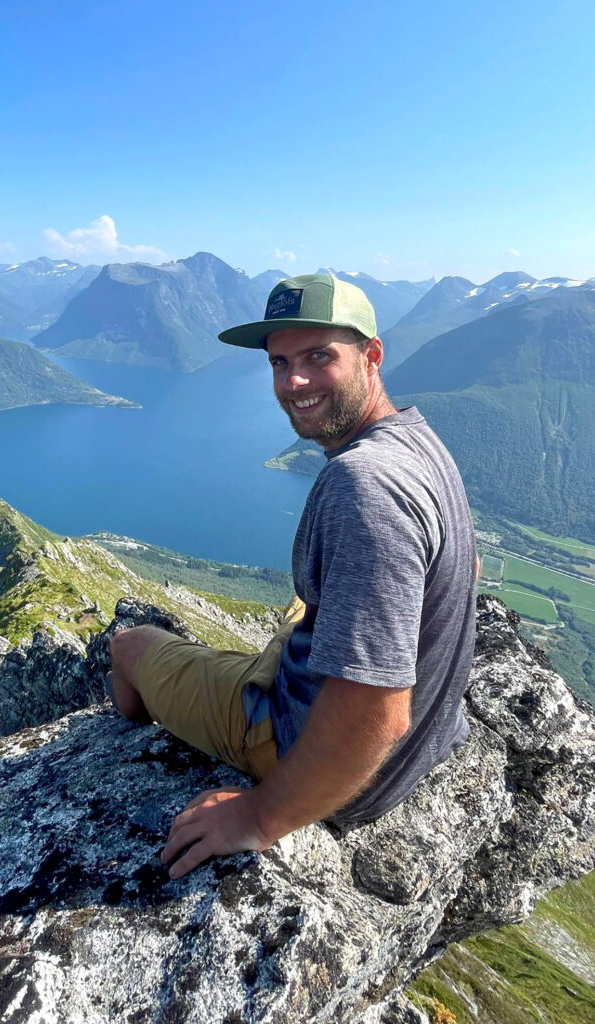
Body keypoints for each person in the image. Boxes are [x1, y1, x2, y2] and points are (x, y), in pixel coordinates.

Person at [109, 273, 478, 879]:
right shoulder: (417, 441)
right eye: (280, 363)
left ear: (372, 355)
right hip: (425, 745)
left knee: (130, 645)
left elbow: (377, 709)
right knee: (300, 611)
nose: (293, 382)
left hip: (315, 754)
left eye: (318, 357)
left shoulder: (363, 486)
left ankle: (115, 740)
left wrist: (261, 815)